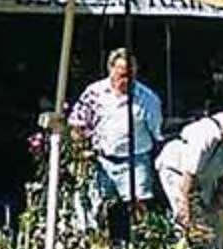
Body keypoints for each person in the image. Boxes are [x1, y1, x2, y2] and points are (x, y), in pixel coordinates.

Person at [66, 47, 164, 235]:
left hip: (136, 159)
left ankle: (140, 246)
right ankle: (100, 245)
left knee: (138, 207)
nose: (125, 80)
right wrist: (80, 149)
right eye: (121, 75)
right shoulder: (94, 92)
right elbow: (77, 122)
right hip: (100, 159)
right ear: (110, 69)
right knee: (98, 208)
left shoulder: (148, 99)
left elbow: (157, 133)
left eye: (130, 75)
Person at [156, 107, 223, 240]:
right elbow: (190, 177)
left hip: (207, 175)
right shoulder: (207, 135)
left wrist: (218, 198)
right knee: (186, 217)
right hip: (177, 170)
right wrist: (188, 209)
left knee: (213, 219)